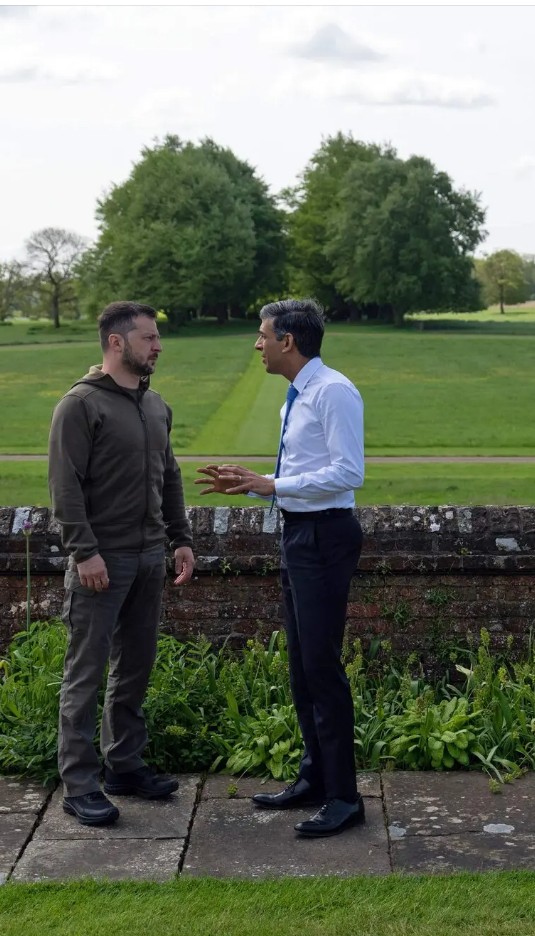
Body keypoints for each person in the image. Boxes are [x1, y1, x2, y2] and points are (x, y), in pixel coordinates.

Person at [195, 298, 367, 838]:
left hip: (325, 538)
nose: (257, 343)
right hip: (298, 535)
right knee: (300, 666)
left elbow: (347, 473)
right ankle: (315, 779)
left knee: (322, 666)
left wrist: (271, 485)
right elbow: (302, 469)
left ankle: (344, 798)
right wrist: (254, 484)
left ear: (287, 341)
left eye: (262, 334)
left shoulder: (333, 391)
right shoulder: (298, 396)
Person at [48, 300, 196, 827]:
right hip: (101, 562)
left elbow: (169, 476)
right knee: (85, 674)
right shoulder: (80, 405)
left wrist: (179, 539)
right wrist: (84, 552)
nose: (158, 346)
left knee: (135, 668)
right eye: (148, 338)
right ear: (116, 343)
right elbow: (64, 489)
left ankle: (125, 767)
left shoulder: (155, 405)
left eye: (157, 338)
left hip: (151, 557)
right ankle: (80, 784)